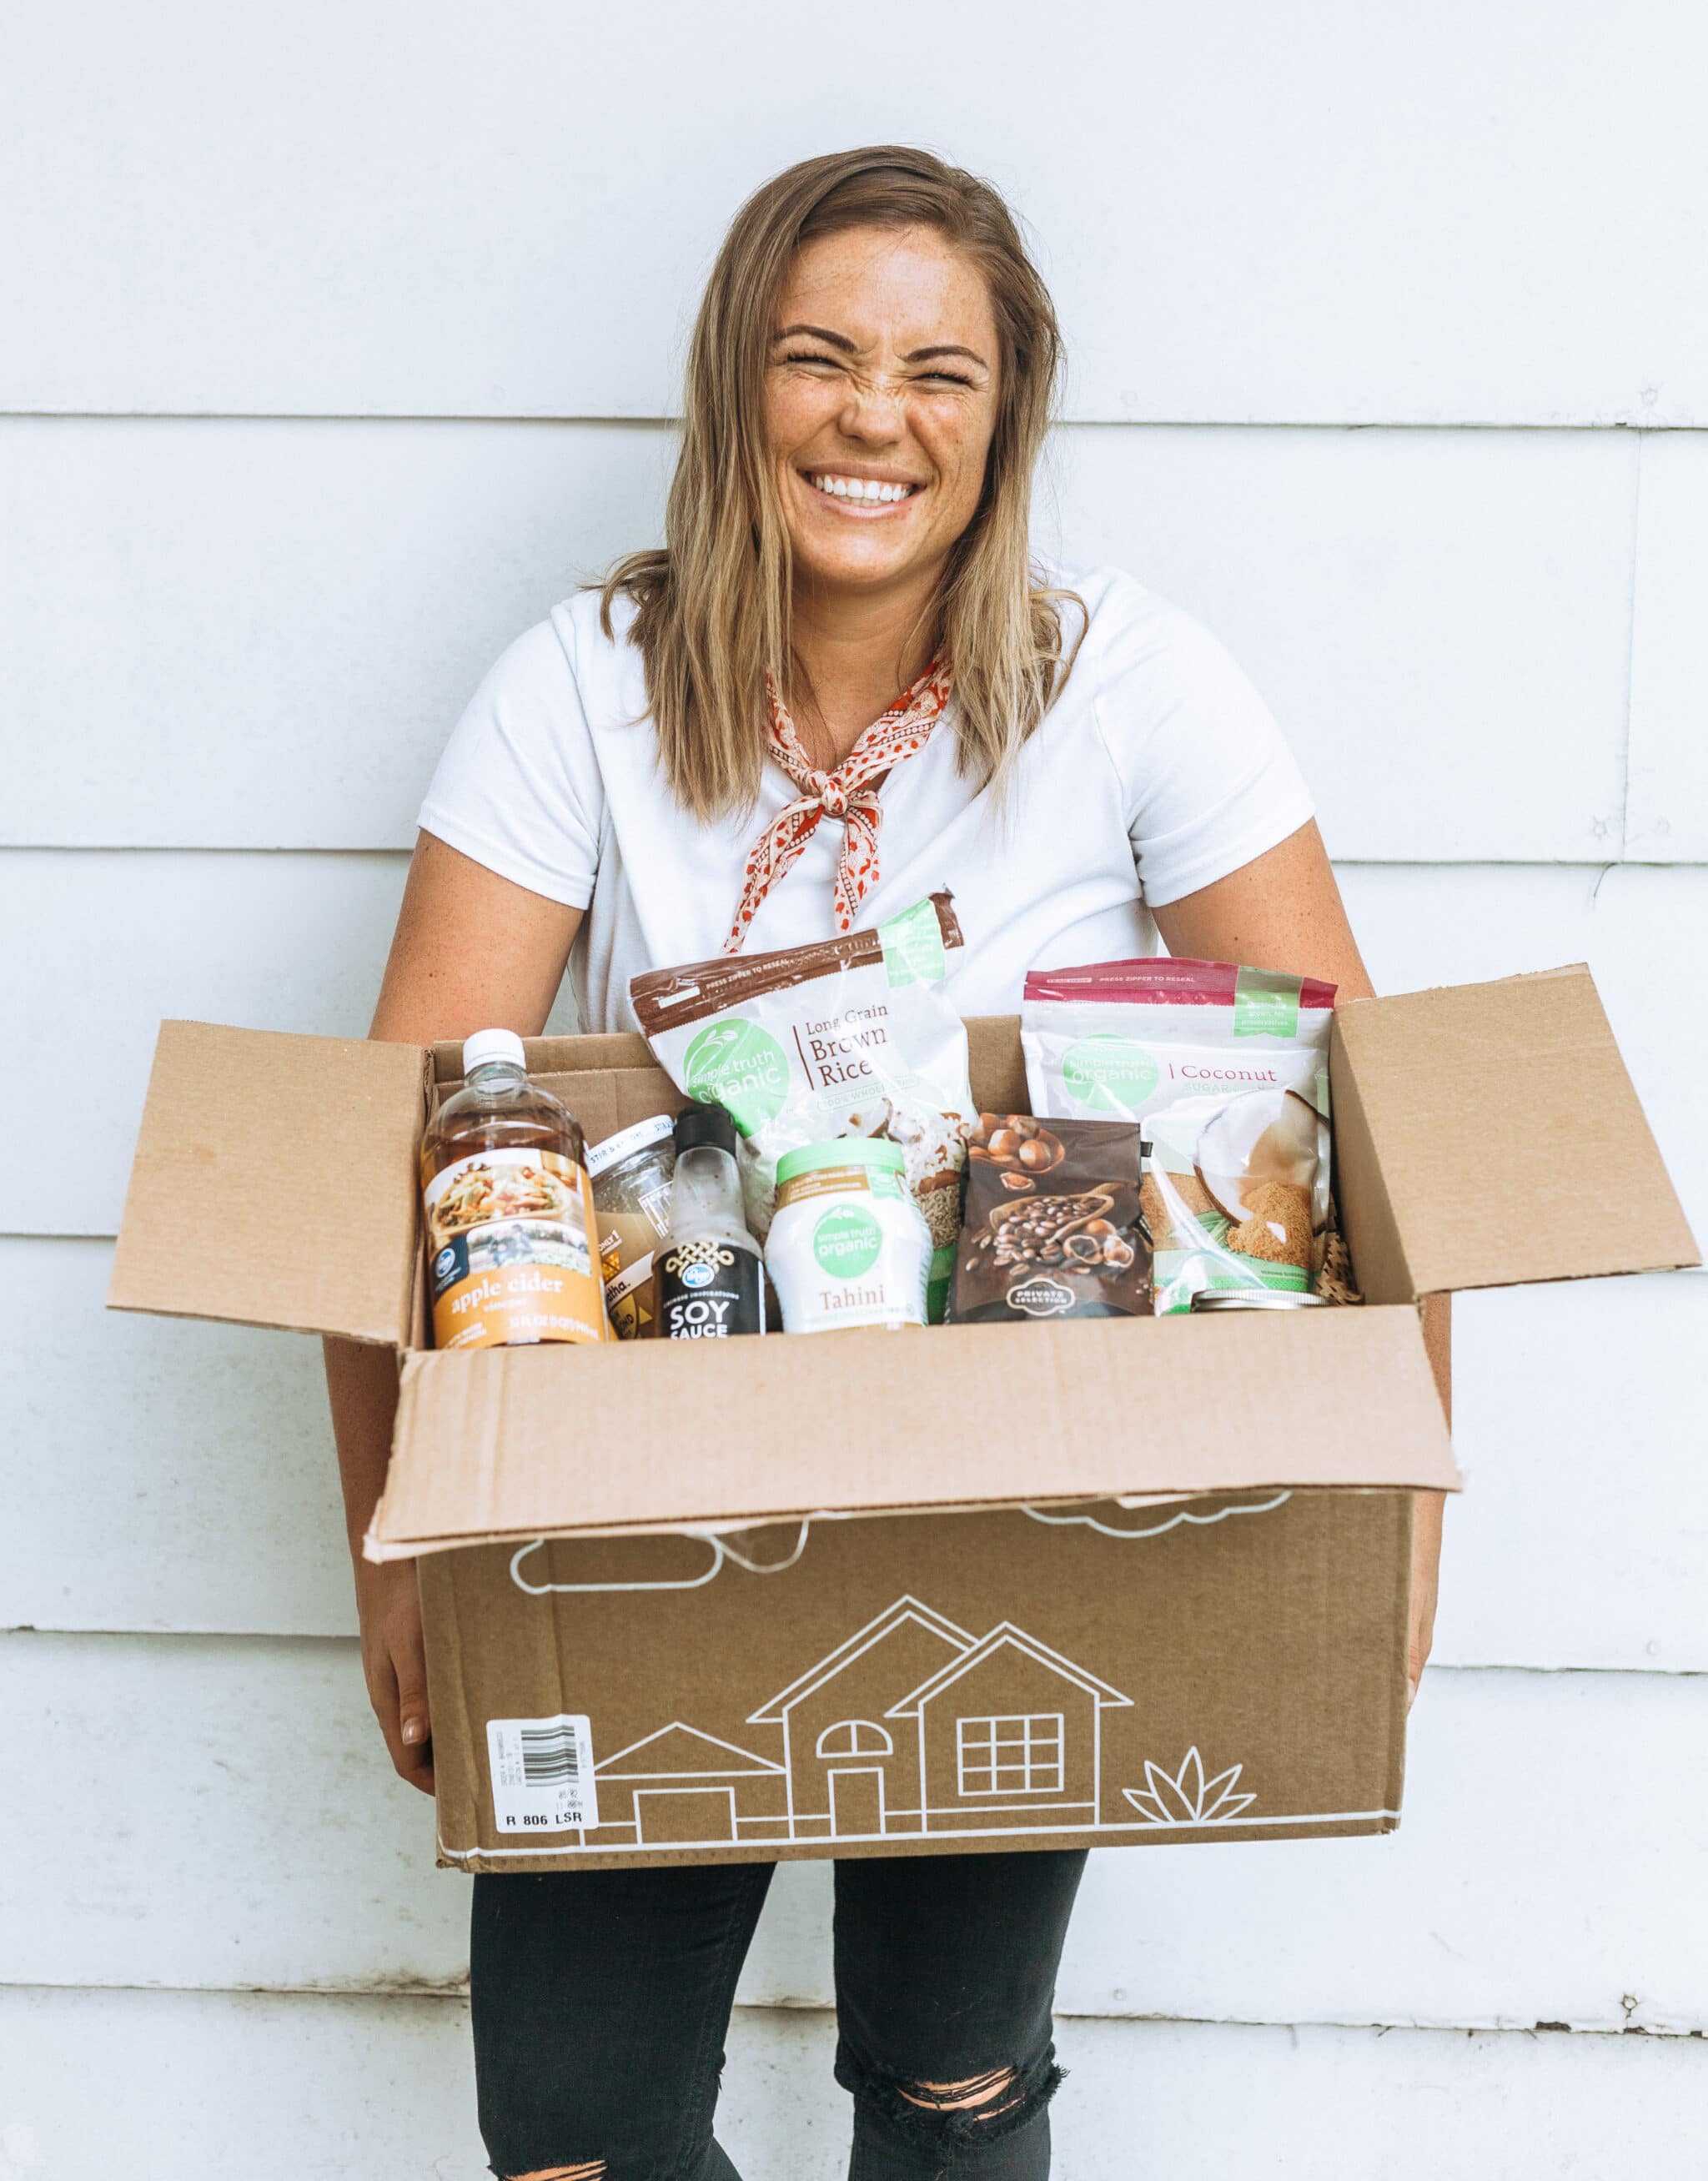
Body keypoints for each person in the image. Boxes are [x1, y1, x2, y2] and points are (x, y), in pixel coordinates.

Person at [325, 144, 1447, 2181]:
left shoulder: (1124, 683)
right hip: (643, 1488)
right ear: (732, 386)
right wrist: (394, 1542)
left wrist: (1404, 1522)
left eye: (939, 371)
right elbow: (376, 1150)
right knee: (575, 2132)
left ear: (1006, 410)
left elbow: (1383, 1110)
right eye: (819, 357)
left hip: (1032, 1480)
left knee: (951, 2081)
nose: (874, 417)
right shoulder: (581, 684)